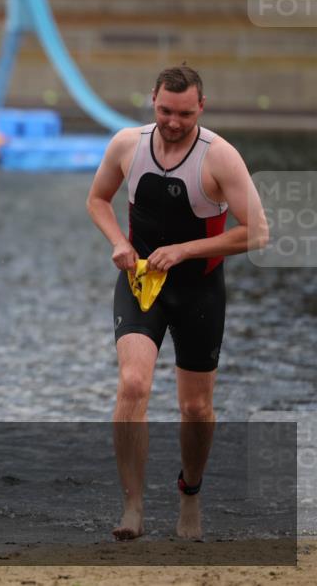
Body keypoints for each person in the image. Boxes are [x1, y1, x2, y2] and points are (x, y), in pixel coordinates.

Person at [86, 65, 268, 541]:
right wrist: (117, 243)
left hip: (198, 290)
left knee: (195, 408)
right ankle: (133, 507)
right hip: (142, 283)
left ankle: (190, 494)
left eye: (184, 114)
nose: (172, 122)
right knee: (132, 383)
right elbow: (98, 200)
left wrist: (185, 251)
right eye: (165, 110)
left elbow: (258, 232)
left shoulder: (220, 156)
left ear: (201, 108)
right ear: (153, 100)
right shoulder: (127, 144)